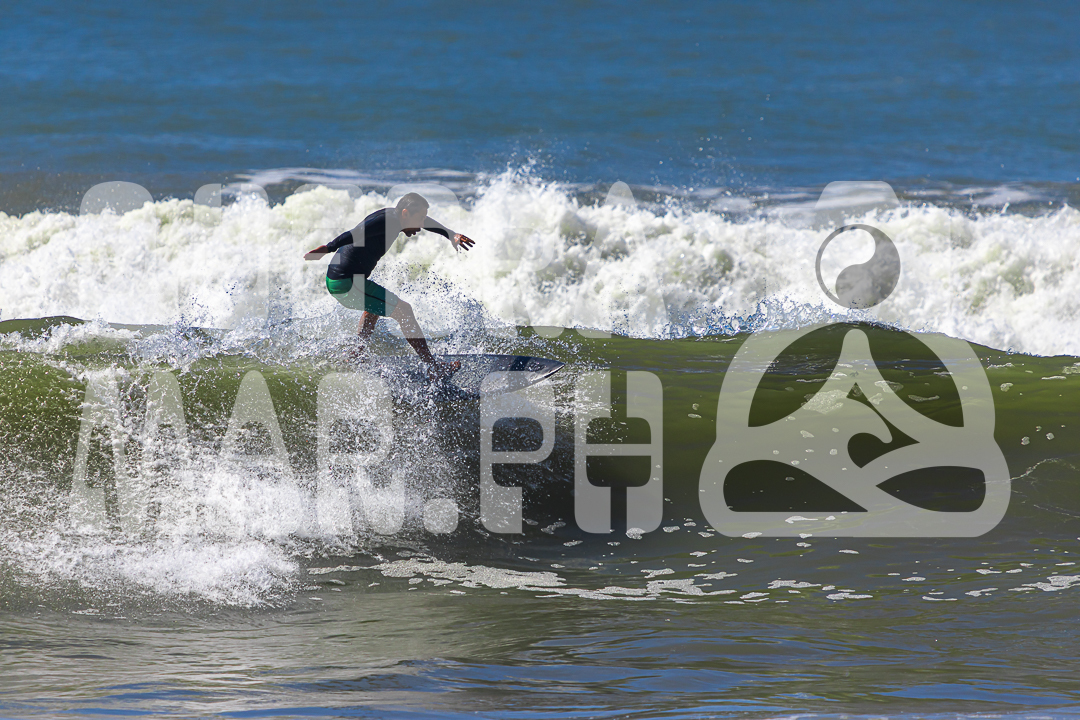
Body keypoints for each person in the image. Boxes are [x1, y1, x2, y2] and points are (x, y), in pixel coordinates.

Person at [304, 192, 475, 377]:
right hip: (346, 283)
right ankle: (434, 368)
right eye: (419, 219)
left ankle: (357, 352)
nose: (421, 226)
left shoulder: (396, 217)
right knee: (405, 311)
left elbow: (426, 221)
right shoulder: (386, 222)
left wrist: (451, 234)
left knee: (374, 307)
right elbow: (355, 234)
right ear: (405, 213)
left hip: (342, 281)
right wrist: (328, 248)